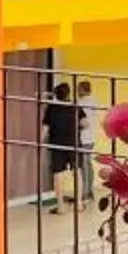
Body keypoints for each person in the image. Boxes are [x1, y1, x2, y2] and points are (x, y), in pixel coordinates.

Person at [42, 79, 83, 212]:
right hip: (73, 143)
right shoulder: (74, 106)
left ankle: (60, 206)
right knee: (77, 171)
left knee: (58, 174)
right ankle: (79, 204)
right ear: (68, 94)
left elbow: (45, 130)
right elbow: (86, 123)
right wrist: (76, 127)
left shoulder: (51, 108)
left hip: (57, 144)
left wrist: (42, 141)